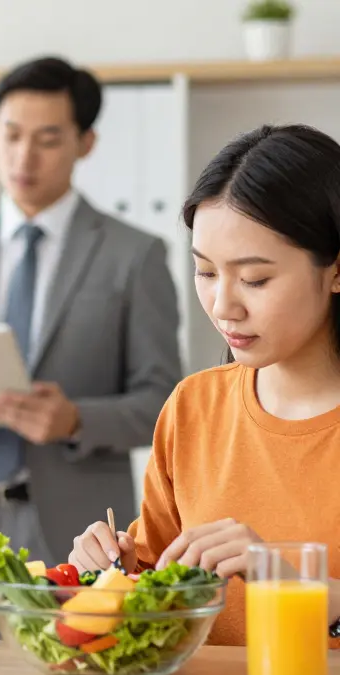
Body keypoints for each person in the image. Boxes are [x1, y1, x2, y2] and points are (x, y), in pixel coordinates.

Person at [71, 124, 340, 648]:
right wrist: (114, 573)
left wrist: (292, 585)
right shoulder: (194, 406)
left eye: (255, 279)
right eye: (206, 272)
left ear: (335, 269)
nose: (223, 306)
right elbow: (156, 592)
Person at [0, 56, 182, 563]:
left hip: (81, 533)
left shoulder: (135, 255)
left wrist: (77, 419)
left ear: (86, 144)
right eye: (11, 135)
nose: (24, 158)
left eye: (48, 139)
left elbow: (165, 404)